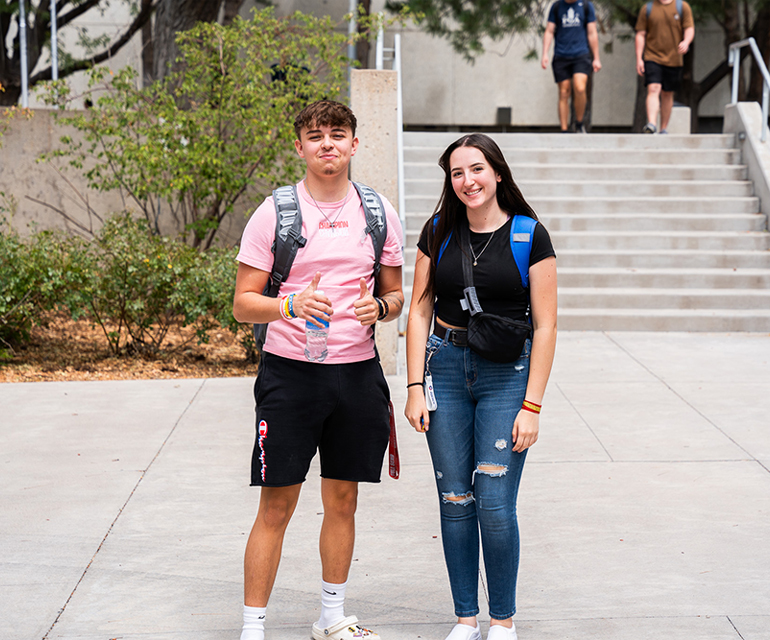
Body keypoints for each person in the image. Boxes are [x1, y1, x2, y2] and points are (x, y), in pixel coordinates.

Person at [232, 100, 404, 640]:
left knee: (343, 499)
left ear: (355, 144)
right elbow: (242, 303)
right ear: (300, 147)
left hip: (357, 374)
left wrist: (380, 308)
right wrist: (288, 306)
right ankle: (252, 627)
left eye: (337, 134)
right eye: (315, 136)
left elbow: (397, 293)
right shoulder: (275, 213)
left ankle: (332, 616)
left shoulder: (378, 212)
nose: (327, 144)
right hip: (290, 375)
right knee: (277, 503)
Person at [404, 134, 557, 640]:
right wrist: (411, 385)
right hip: (444, 369)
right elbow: (420, 310)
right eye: (456, 173)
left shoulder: (528, 235)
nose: (467, 181)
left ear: (497, 173)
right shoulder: (439, 231)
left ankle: (502, 620)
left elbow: (547, 325)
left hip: (506, 377)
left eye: (476, 170)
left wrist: (531, 405)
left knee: (493, 499)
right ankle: (466, 618)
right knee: (454, 498)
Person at [541, 0, 602, 133]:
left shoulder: (586, 6)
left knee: (580, 88)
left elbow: (592, 32)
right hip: (561, 55)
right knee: (564, 91)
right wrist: (545, 53)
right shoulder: (557, 7)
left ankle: (579, 123)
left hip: (581, 54)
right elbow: (549, 31)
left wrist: (596, 58)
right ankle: (564, 129)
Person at [635, 0, 694, 134]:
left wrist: (686, 41)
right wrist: (639, 58)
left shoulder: (682, 7)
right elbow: (640, 34)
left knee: (667, 93)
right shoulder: (648, 9)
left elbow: (689, 28)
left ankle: (663, 128)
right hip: (652, 57)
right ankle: (651, 123)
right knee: (653, 88)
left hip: (674, 58)